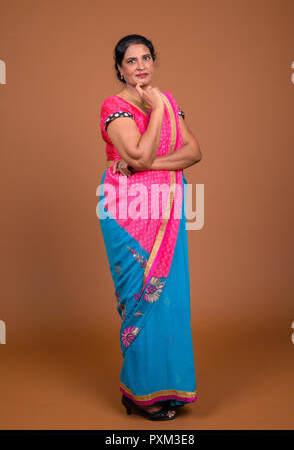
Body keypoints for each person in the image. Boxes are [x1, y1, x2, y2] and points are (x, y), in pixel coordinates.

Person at [98, 34, 202, 421]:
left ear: (154, 61)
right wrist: (156, 109)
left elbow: (194, 152)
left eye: (146, 58)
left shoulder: (168, 100)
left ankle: (169, 387)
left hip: (167, 210)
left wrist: (146, 166)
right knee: (142, 297)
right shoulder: (115, 106)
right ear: (120, 69)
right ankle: (139, 392)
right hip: (128, 211)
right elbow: (139, 152)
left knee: (170, 300)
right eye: (131, 61)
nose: (140, 66)